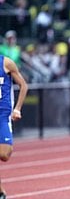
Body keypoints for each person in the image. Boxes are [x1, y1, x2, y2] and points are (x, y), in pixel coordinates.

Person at [0, 55, 28, 198]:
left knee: (4, 154)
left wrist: (17, 108)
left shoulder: (6, 63)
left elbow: (23, 85)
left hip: (3, 115)